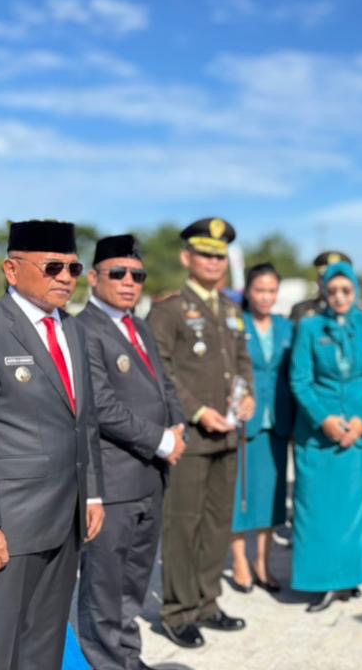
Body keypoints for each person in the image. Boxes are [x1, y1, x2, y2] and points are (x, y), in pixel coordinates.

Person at [0, 220, 105, 669]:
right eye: (53, 267)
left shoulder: (73, 331)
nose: (66, 278)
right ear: (12, 270)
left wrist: (91, 493)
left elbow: (84, 421)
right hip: (8, 525)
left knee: (46, 643)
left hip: (65, 517)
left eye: (73, 268)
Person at [75, 234, 188, 670]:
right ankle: (105, 660)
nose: (128, 282)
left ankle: (126, 656)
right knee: (105, 583)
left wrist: (178, 423)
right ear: (93, 277)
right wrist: (162, 441)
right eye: (118, 273)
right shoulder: (83, 329)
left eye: (137, 276)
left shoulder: (138, 326)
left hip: (150, 476)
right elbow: (100, 406)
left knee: (134, 578)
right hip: (113, 479)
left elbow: (164, 384)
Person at [146, 217, 256, 648]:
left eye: (219, 256)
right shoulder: (169, 309)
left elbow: (242, 362)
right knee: (183, 526)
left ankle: (207, 603)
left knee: (216, 525)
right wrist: (197, 411)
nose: (213, 262)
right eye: (205, 255)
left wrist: (247, 397)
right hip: (191, 438)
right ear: (186, 258)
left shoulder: (231, 310)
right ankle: (177, 611)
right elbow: (161, 369)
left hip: (228, 435)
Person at [289, 261, 362, 612]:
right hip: (318, 436)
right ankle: (320, 582)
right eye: (332, 291)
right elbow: (300, 380)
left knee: (352, 512)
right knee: (316, 510)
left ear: (356, 291)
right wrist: (325, 420)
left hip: (358, 435)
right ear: (324, 293)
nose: (339, 297)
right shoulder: (309, 328)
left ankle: (348, 577)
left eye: (346, 290)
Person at [229, 263, 294, 595]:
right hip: (244, 420)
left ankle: (263, 562)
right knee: (240, 492)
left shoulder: (287, 328)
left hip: (278, 421)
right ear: (247, 292)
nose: (266, 297)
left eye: (271, 291)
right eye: (259, 290)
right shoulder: (235, 324)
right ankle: (240, 559)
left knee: (271, 495)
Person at [289, 250, 352, 324]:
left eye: (337, 279)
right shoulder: (301, 311)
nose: (331, 284)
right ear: (318, 280)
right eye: (324, 278)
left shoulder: (360, 317)